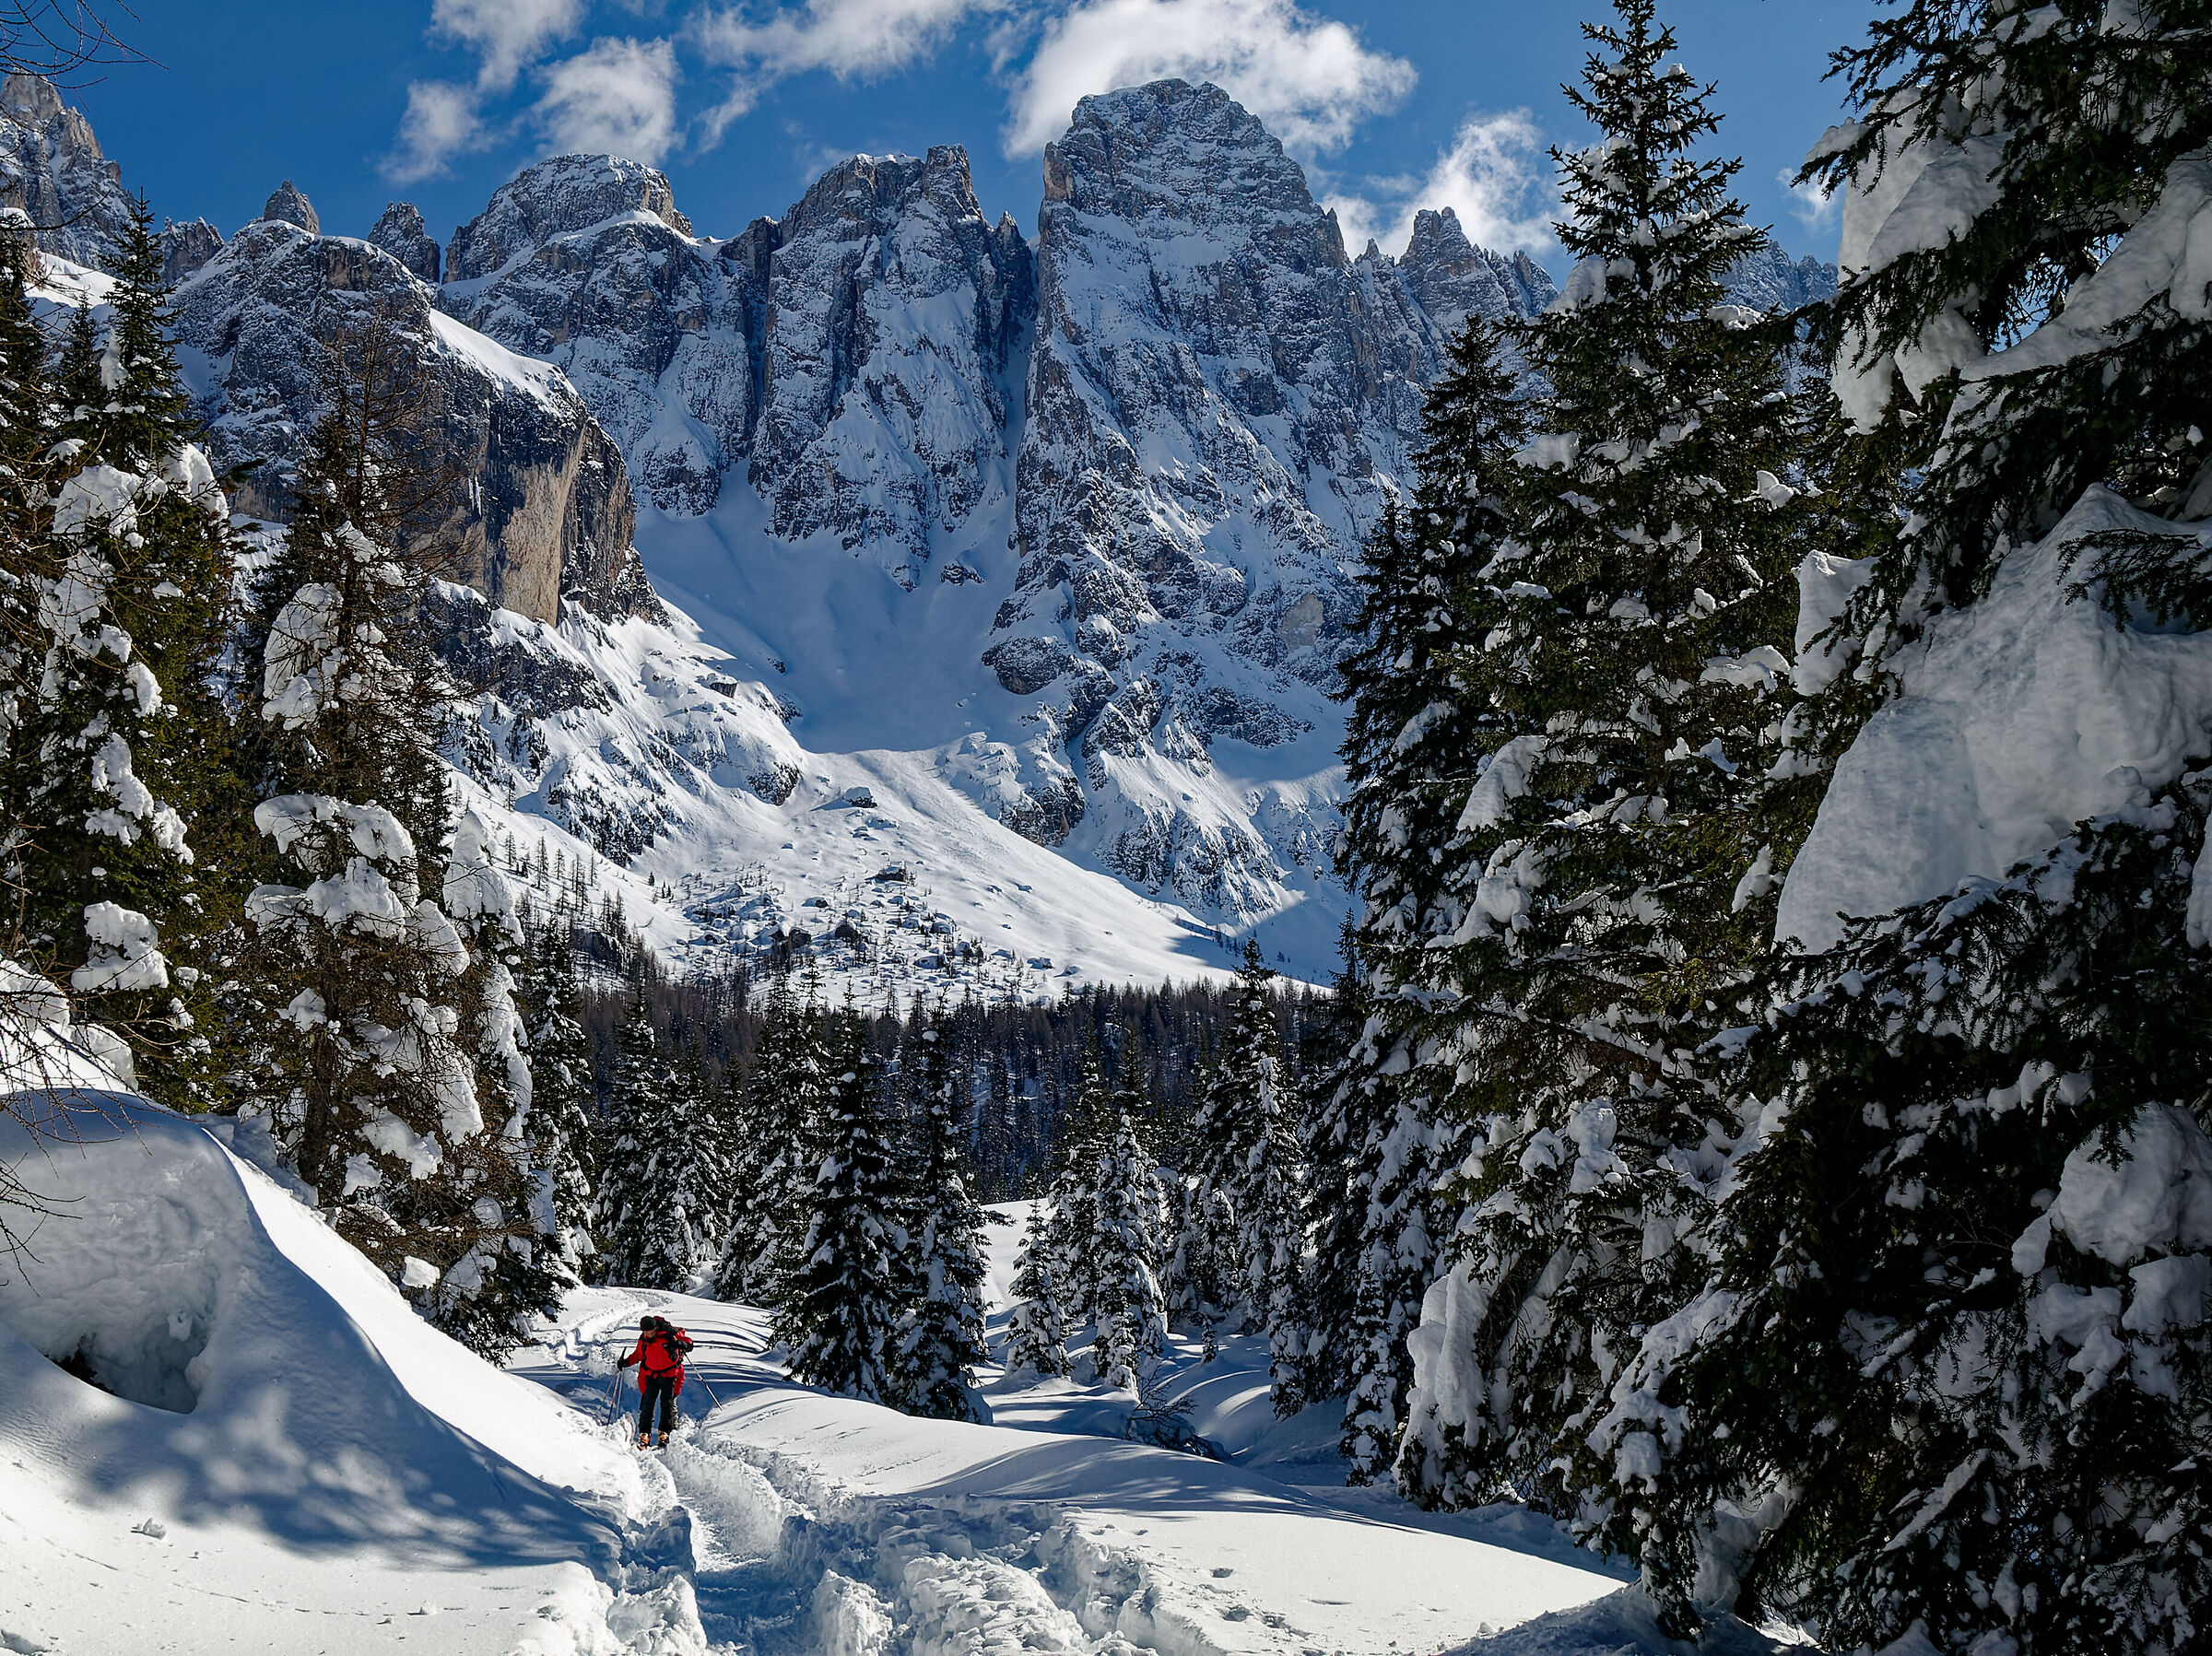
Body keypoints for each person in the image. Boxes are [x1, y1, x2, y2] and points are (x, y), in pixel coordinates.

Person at [617, 1313, 694, 1448]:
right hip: (650, 1375)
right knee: (647, 1405)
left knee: (667, 1404)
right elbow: (638, 1355)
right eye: (644, 1332)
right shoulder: (644, 1340)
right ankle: (644, 1434)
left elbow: (689, 1343)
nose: (646, 1334)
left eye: (648, 1331)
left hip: (669, 1374)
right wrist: (626, 1362)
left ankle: (664, 1432)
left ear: (655, 1328)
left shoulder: (669, 1335)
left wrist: (681, 1344)